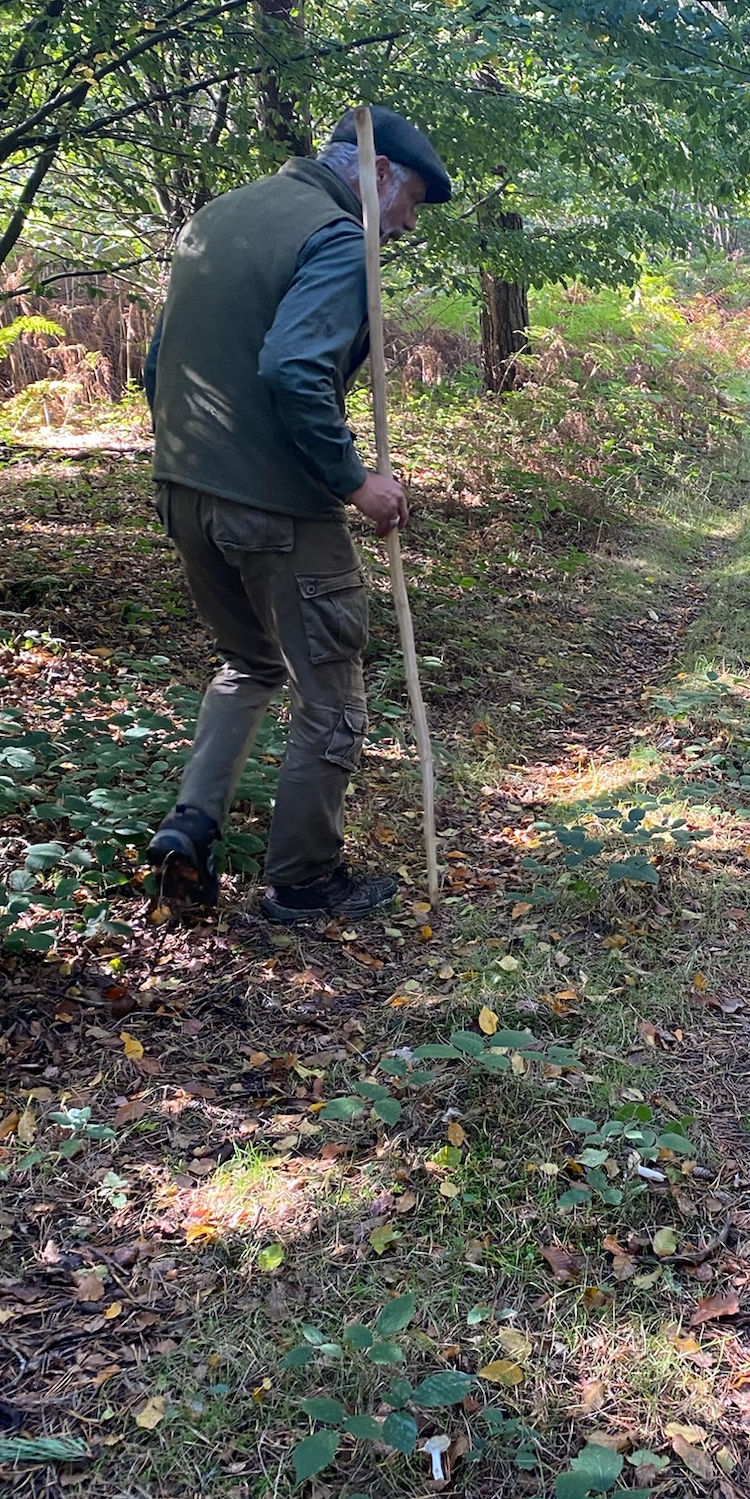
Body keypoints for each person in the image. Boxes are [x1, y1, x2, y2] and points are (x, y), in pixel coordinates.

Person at [142, 107, 452, 922]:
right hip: (279, 509)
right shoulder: (340, 237)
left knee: (249, 663)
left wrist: (197, 463)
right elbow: (291, 368)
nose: (408, 222)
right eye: (411, 200)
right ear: (375, 173)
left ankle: (190, 826)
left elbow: (158, 356)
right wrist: (354, 481)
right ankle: (305, 881)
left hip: (184, 490)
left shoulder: (221, 216)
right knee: (333, 698)